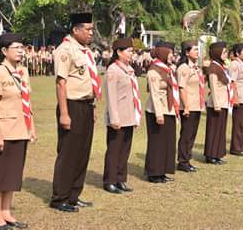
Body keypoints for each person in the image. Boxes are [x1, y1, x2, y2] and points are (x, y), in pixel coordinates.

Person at [0, 33, 38, 230]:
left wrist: (31, 126)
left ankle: (7, 211)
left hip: (20, 128)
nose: (20, 51)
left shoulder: (23, 71)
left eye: (22, 47)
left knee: (14, 172)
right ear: (5, 51)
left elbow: (26, 101)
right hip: (3, 130)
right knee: (0, 174)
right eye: (16, 48)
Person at [50, 12, 99, 212]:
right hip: (71, 105)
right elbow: (61, 83)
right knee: (68, 153)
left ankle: (73, 195)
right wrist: (64, 113)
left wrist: (93, 106)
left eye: (92, 29)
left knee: (82, 152)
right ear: (76, 30)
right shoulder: (65, 50)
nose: (91, 33)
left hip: (86, 105)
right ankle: (59, 197)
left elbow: (89, 81)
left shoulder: (85, 51)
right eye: (87, 29)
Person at [103, 37, 140, 193]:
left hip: (129, 115)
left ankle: (121, 179)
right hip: (118, 116)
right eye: (129, 51)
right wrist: (114, 118)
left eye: (132, 51)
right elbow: (111, 96)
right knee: (114, 150)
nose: (132, 54)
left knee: (125, 149)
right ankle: (110, 180)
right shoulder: (113, 70)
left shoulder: (128, 69)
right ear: (119, 52)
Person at [144, 41, 178, 183]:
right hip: (157, 111)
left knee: (167, 142)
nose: (172, 56)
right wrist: (159, 114)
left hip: (168, 110)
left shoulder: (167, 69)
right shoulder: (154, 70)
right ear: (163, 53)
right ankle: (154, 173)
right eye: (170, 53)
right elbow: (154, 94)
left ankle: (163, 170)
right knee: (157, 142)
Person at [175, 40, 204, 173]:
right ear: (187, 52)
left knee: (192, 134)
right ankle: (182, 161)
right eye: (195, 50)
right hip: (188, 106)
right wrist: (186, 106)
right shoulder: (183, 68)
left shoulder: (195, 68)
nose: (198, 52)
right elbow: (181, 88)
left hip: (196, 105)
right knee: (186, 134)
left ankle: (187, 158)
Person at [204, 42, 230, 164]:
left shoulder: (220, 66)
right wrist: (216, 104)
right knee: (214, 130)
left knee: (220, 130)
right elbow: (213, 87)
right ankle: (211, 155)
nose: (226, 54)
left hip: (223, 102)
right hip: (216, 103)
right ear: (217, 53)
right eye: (224, 52)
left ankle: (217, 153)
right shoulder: (213, 67)